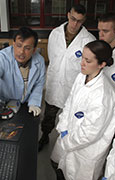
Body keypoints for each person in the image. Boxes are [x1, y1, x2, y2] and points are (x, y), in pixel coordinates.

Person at [50, 40, 115, 180]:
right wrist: (62, 127)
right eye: (82, 57)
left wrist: (67, 141)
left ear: (101, 64)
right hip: (68, 137)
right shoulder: (82, 76)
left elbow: (90, 133)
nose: (82, 63)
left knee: (74, 175)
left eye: (87, 61)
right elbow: (69, 104)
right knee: (59, 169)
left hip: (85, 151)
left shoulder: (103, 96)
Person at [39, 4, 96, 151]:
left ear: (83, 21)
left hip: (73, 88)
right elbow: (52, 58)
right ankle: (45, 136)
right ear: (67, 15)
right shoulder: (55, 34)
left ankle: (65, 144)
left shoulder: (88, 40)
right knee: (48, 117)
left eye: (79, 21)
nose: (74, 24)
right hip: (54, 84)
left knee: (71, 120)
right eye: (72, 19)